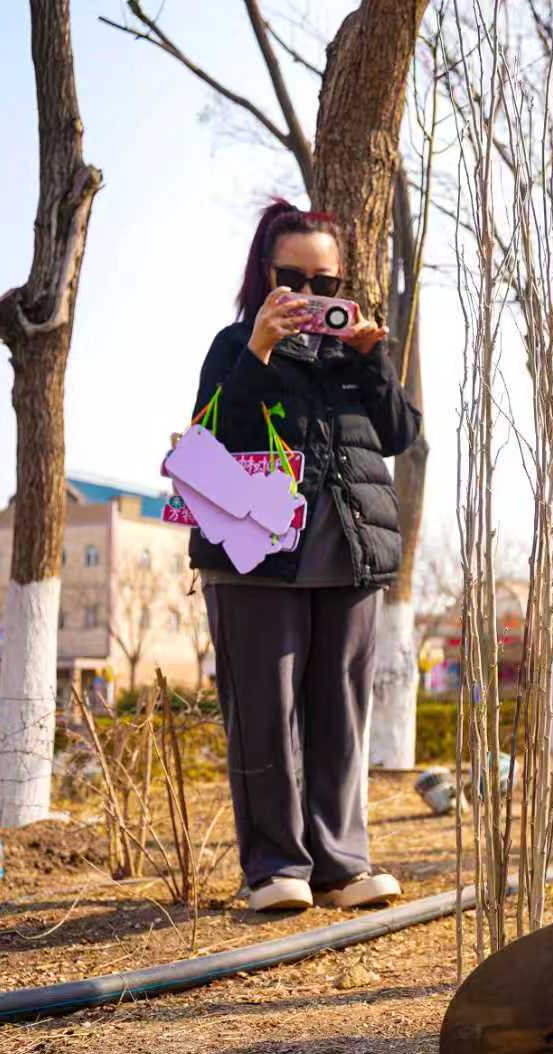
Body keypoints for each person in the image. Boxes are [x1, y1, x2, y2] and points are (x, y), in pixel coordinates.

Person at [194, 198, 420, 914]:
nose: (312, 298)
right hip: (255, 556)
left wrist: (372, 356)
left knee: (340, 713)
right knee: (263, 710)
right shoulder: (234, 347)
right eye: (294, 280)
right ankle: (274, 869)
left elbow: (397, 434)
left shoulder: (354, 358)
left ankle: (342, 865)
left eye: (327, 284)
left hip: (349, 553)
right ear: (265, 275)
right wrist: (259, 350)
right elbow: (215, 436)